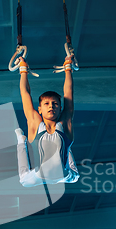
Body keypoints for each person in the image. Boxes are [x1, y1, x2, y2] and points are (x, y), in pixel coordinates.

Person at [15, 55, 79, 187]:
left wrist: (68, 67)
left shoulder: (65, 123)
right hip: (39, 176)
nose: (51, 106)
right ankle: (21, 142)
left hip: (64, 174)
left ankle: (67, 150)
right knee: (23, 181)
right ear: (39, 109)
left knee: (75, 176)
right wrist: (23, 69)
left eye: (55, 103)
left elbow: (69, 93)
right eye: (47, 104)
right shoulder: (35, 123)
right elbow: (25, 94)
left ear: (60, 108)